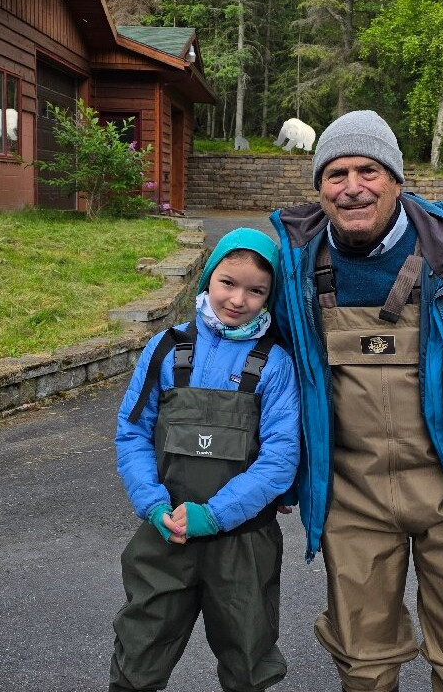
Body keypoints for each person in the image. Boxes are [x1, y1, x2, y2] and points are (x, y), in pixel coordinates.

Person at [269, 110, 443, 692]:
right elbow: (266, 360)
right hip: (352, 496)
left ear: (397, 180)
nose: (352, 187)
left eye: (368, 171)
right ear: (319, 187)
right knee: (363, 659)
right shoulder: (294, 265)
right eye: (336, 174)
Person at [109, 228, 301, 692]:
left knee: (248, 658)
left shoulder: (275, 363)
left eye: (256, 291)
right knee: (139, 651)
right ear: (207, 279)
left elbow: (280, 458)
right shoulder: (165, 348)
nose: (238, 299)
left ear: (270, 296)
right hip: (165, 533)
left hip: (243, 543)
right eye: (227, 283)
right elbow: (132, 433)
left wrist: (215, 515)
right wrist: (152, 504)